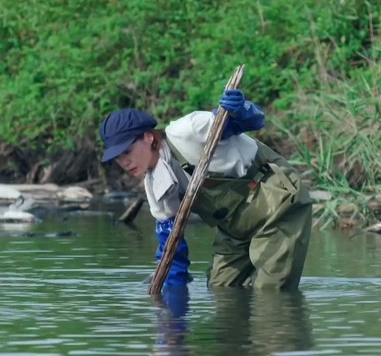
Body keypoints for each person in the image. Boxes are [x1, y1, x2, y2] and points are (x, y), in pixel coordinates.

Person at [99, 89, 312, 290]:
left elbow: (253, 121)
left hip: (276, 199)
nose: (124, 162)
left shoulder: (187, 131)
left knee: (270, 292)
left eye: (127, 151)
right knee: (221, 289)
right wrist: (170, 310)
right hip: (235, 227)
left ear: (148, 137)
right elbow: (173, 253)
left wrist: (240, 110)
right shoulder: (155, 186)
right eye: (118, 157)